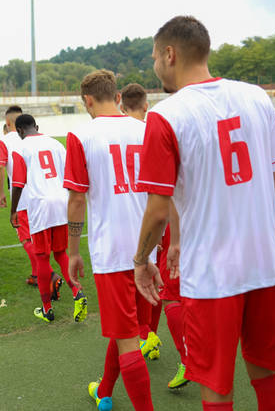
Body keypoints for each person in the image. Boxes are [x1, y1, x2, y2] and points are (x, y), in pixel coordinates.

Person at [134, 16, 275, 411]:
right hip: (264, 266)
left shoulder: (166, 115)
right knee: (266, 378)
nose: (155, 65)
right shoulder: (257, 97)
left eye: (155, 57)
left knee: (216, 389)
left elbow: (156, 210)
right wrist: (274, 244)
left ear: (169, 54)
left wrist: (141, 260)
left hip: (212, 275)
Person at [65, 71, 156, 411]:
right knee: (127, 329)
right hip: (148, 247)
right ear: (117, 96)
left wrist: (73, 252)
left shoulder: (80, 134)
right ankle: (104, 389)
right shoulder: (146, 129)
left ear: (87, 100)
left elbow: (75, 199)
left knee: (128, 338)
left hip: (112, 249)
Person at [11, 114, 87, 323]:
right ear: (36, 126)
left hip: (41, 206)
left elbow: (18, 184)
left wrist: (13, 211)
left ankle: (46, 308)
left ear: (19, 131)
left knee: (43, 257)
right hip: (62, 203)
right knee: (61, 253)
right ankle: (77, 292)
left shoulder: (21, 148)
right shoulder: (56, 144)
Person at [119, 83, 165, 363]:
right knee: (154, 278)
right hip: (157, 213)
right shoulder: (154, 131)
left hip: (127, 217)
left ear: (121, 106)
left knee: (131, 281)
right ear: (146, 105)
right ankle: (149, 335)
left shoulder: (118, 133)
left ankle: (141, 335)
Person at [0, 106, 60, 289]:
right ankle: (36, 274)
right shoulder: (39, 137)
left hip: (23, 198)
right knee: (39, 238)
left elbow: (0, 167)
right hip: (45, 195)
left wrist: (1, 193)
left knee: (26, 239)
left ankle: (49, 274)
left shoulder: (3, 141)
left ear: (8, 123)